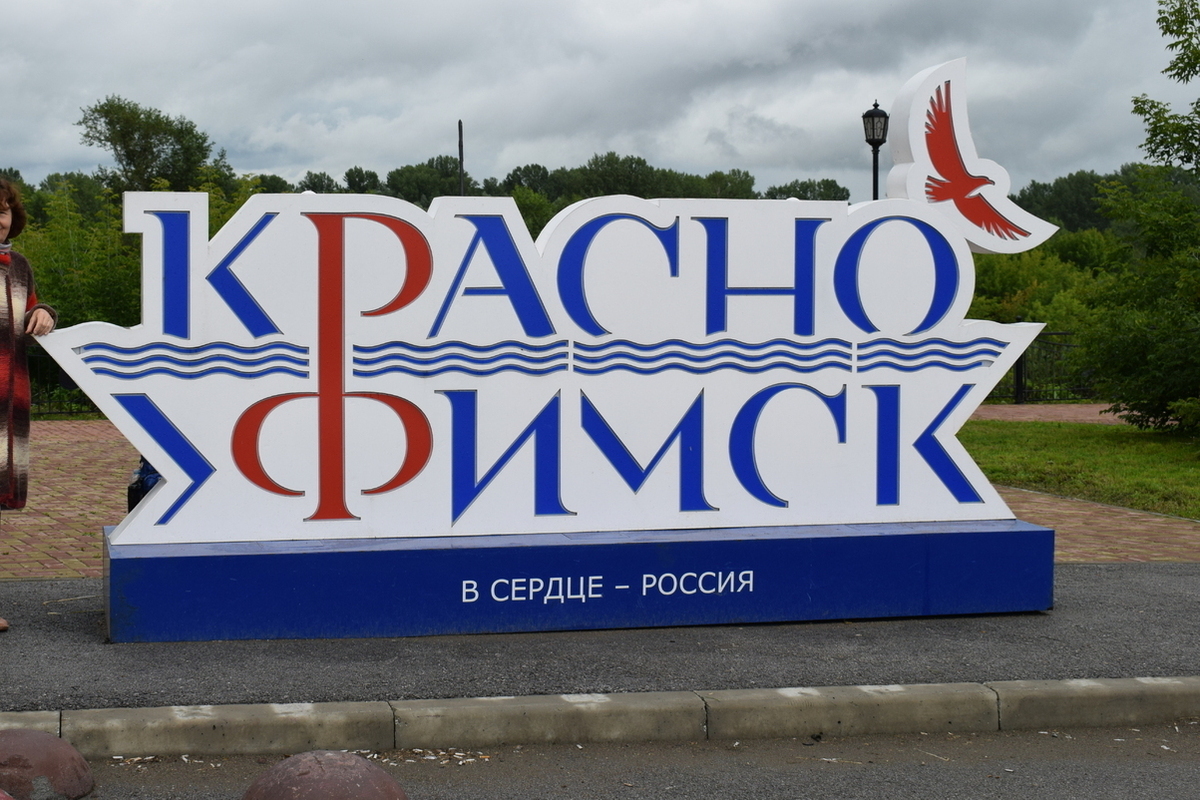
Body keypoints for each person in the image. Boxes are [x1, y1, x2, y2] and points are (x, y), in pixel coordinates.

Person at [0, 179, 56, 633]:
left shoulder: (19, 266)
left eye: (1, 211)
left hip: (6, 401)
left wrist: (46, 313)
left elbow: (33, 310)